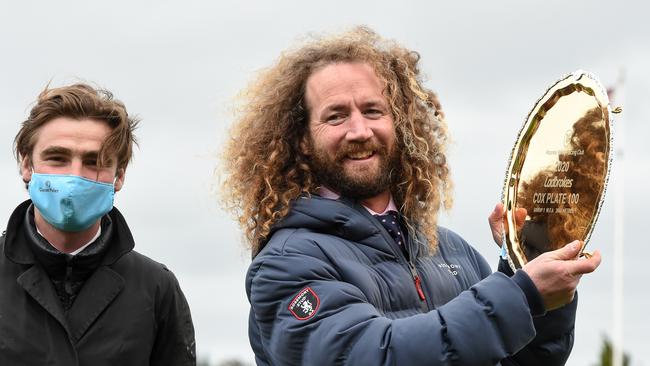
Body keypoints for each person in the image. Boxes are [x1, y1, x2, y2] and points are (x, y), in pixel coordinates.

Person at [222, 27, 601, 365]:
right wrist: (521, 294)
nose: (359, 130)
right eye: (335, 116)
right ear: (302, 140)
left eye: (373, 110)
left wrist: (529, 262)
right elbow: (373, 354)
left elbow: (528, 360)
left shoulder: (451, 250)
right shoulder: (287, 264)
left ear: (399, 124)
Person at [0, 83, 196, 365]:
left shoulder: (155, 288)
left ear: (119, 176)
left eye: (95, 162)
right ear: (26, 164)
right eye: (58, 158)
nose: (75, 176)